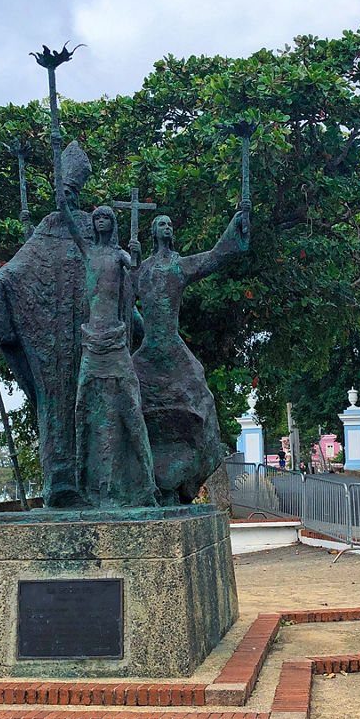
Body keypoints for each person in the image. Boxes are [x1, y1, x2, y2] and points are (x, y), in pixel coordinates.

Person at [0, 141, 92, 507]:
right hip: (52, 344)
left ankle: (101, 483)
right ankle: (61, 484)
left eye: (70, 191)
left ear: (78, 192)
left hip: (91, 338)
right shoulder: (47, 228)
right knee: (55, 407)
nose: (64, 198)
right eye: (60, 191)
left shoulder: (92, 226)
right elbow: (15, 273)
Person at [133, 206, 250, 503]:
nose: (167, 228)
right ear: (153, 232)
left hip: (173, 347)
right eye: (162, 224)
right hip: (148, 349)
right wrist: (141, 326)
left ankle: (193, 471)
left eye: (170, 224)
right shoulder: (140, 269)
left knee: (202, 398)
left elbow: (213, 257)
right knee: (125, 397)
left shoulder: (178, 265)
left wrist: (236, 224)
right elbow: (116, 298)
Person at [65, 199, 158, 507]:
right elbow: (65, 213)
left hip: (116, 342)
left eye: (106, 217)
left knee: (131, 403)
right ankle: (89, 486)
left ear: (113, 224)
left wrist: (137, 251)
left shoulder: (119, 255)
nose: (101, 221)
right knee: (83, 407)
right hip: (91, 342)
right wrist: (56, 155)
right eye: (97, 218)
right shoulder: (87, 251)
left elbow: (135, 271)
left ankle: (145, 484)